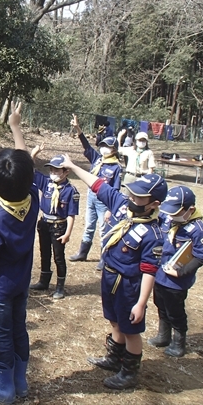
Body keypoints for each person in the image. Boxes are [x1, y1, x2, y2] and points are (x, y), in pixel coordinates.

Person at [61, 154, 167, 390]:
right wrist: (72, 166)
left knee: (131, 330)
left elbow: (149, 270)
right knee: (114, 320)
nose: (132, 197)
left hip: (129, 285)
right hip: (109, 276)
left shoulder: (153, 234)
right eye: (132, 193)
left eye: (139, 196)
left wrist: (141, 303)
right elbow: (97, 184)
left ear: (154, 204)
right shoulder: (122, 207)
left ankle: (129, 373)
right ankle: (114, 358)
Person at [0, 104, 39, 403]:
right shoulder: (33, 198)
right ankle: (20, 381)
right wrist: (15, 127)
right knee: (19, 330)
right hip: (22, 285)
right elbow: (25, 166)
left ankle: (4, 386)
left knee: (1, 335)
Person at [148, 186, 203, 357]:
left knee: (175, 310)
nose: (170, 215)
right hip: (160, 274)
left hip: (177, 281)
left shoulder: (199, 229)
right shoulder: (168, 218)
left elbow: (201, 256)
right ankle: (163, 336)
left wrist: (180, 272)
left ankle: (179, 343)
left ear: (190, 210)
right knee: (160, 304)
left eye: (175, 212)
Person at [68, 114, 122, 270]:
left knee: (104, 229)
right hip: (92, 197)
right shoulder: (98, 159)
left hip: (104, 201)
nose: (104, 148)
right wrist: (78, 129)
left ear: (114, 150)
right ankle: (82, 253)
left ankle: (104, 257)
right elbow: (86, 146)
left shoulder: (116, 167)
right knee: (89, 226)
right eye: (103, 145)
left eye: (108, 146)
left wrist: (111, 210)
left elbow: (116, 189)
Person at [28, 144, 79, 298]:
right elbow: (30, 170)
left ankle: (60, 287)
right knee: (44, 253)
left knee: (58, 257)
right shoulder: (46, 183)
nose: (53, 173)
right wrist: (34, 153)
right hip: (44, 223)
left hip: (59, 225)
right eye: (51, 170)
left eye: (57, 170)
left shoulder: (71, 191)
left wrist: (68, 233)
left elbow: (71, 214)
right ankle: (44, 281)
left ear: (66, 172)